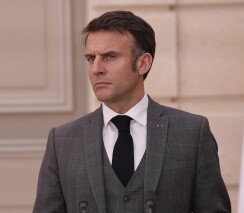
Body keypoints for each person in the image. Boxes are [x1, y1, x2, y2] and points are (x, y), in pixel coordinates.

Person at [33, 10, 231, 213]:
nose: (96, 69)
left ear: (143, 63)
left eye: (110, 56)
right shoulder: (63, 140)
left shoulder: (192, 133)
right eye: (91, 58)